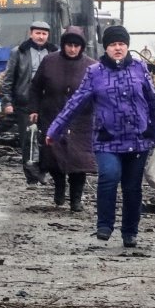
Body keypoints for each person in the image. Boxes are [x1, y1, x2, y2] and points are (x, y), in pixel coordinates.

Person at [46, 26, 155, 247]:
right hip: (107, 138)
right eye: (112, 44)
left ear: (127, 46)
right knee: (109, 176)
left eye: (121, 44)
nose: (117, 48)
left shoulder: (140, 68)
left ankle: (130, 231)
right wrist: (55, 129)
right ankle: (105, 225)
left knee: (132, 187)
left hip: (138, 139)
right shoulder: (95, 72)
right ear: (106, 48)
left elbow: (153, 102)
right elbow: (75, 103)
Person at [29, 26, 97, 211]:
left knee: (79, 160)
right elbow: (35, 87)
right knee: (54, 156)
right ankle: (59, 188)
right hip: (53, 114)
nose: (72, 49)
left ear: (82, 47)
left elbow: (100, 93)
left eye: (76, 45)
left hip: (81, 120)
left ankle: (76, 199)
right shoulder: (49, 61)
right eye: (69, 45)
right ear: (63, 45)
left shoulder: (91, 66)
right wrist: (34, 108)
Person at [1, 21, 58, 185]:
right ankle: (32, 176)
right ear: (31, 34)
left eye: (44, 34)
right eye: (38, 33)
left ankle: (43, 170)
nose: (41, 37)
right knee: (28, 139)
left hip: (48, 103)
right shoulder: (19, 52)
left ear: (48, 36)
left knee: (46, 139)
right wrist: (7, 102)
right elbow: (8, 79)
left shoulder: (54, 52)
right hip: (24, 103)